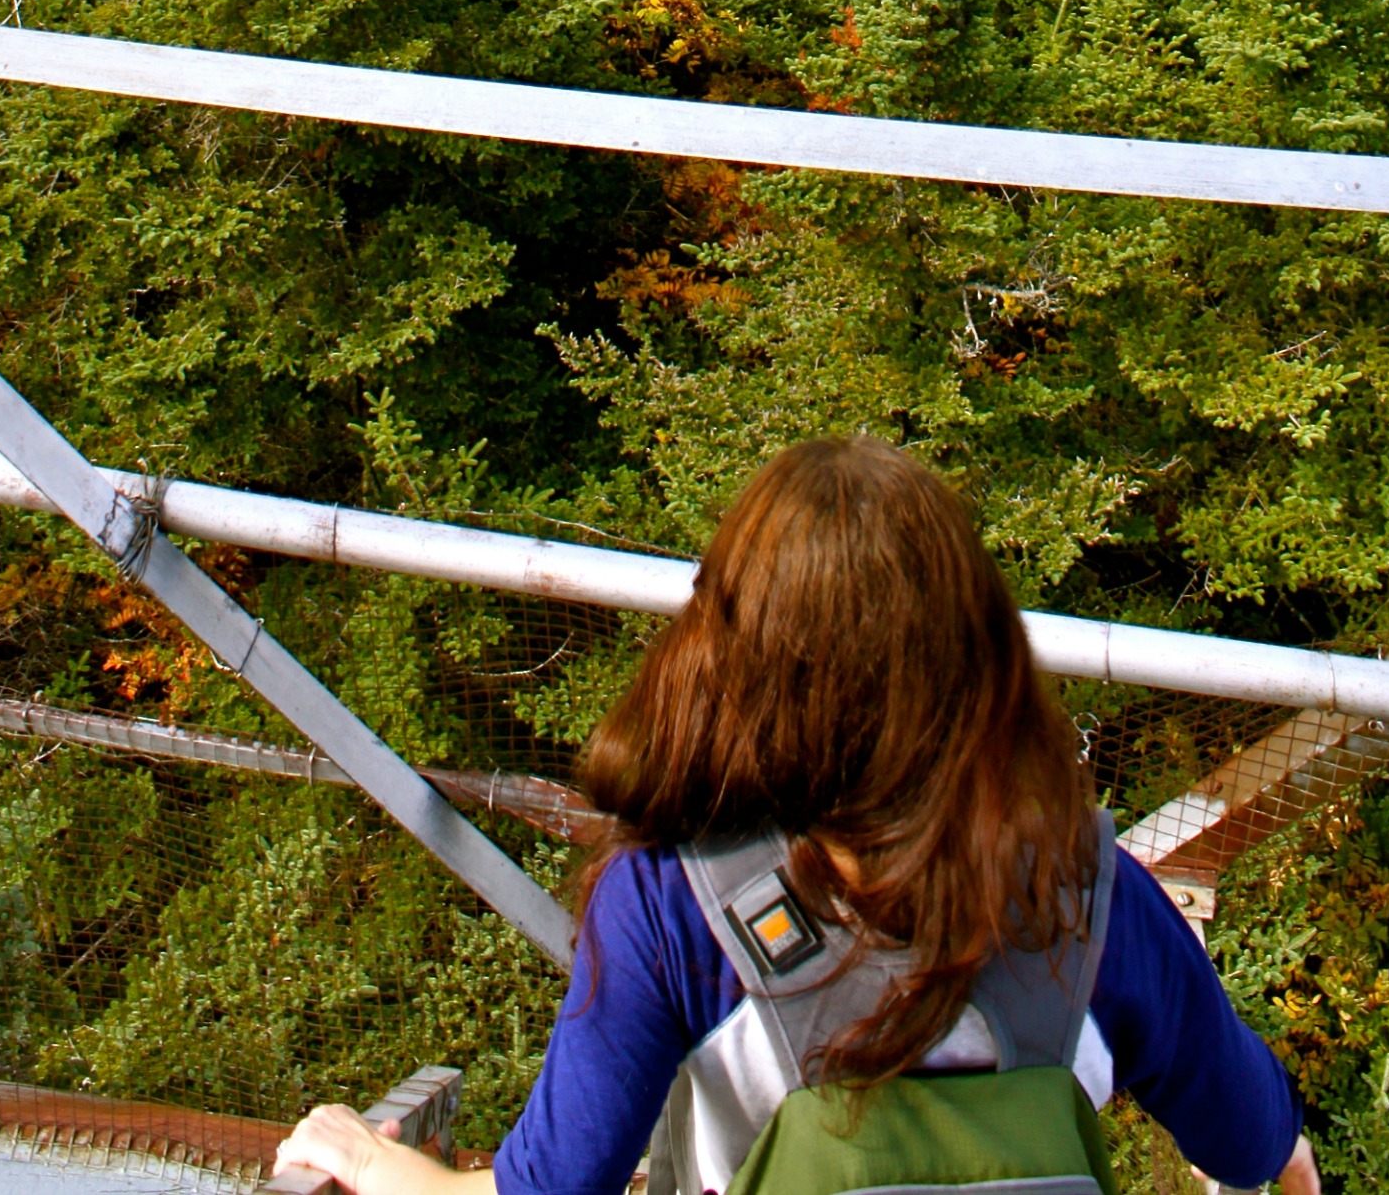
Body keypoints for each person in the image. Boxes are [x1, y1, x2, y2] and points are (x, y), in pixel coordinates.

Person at [275, 438, 1320, 1195]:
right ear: (980, 652)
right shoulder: (1089, 894)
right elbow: (1256, 1145)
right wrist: (1275, 1147)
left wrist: (375, 1162)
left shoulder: (672, 904)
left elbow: (547, 1194)